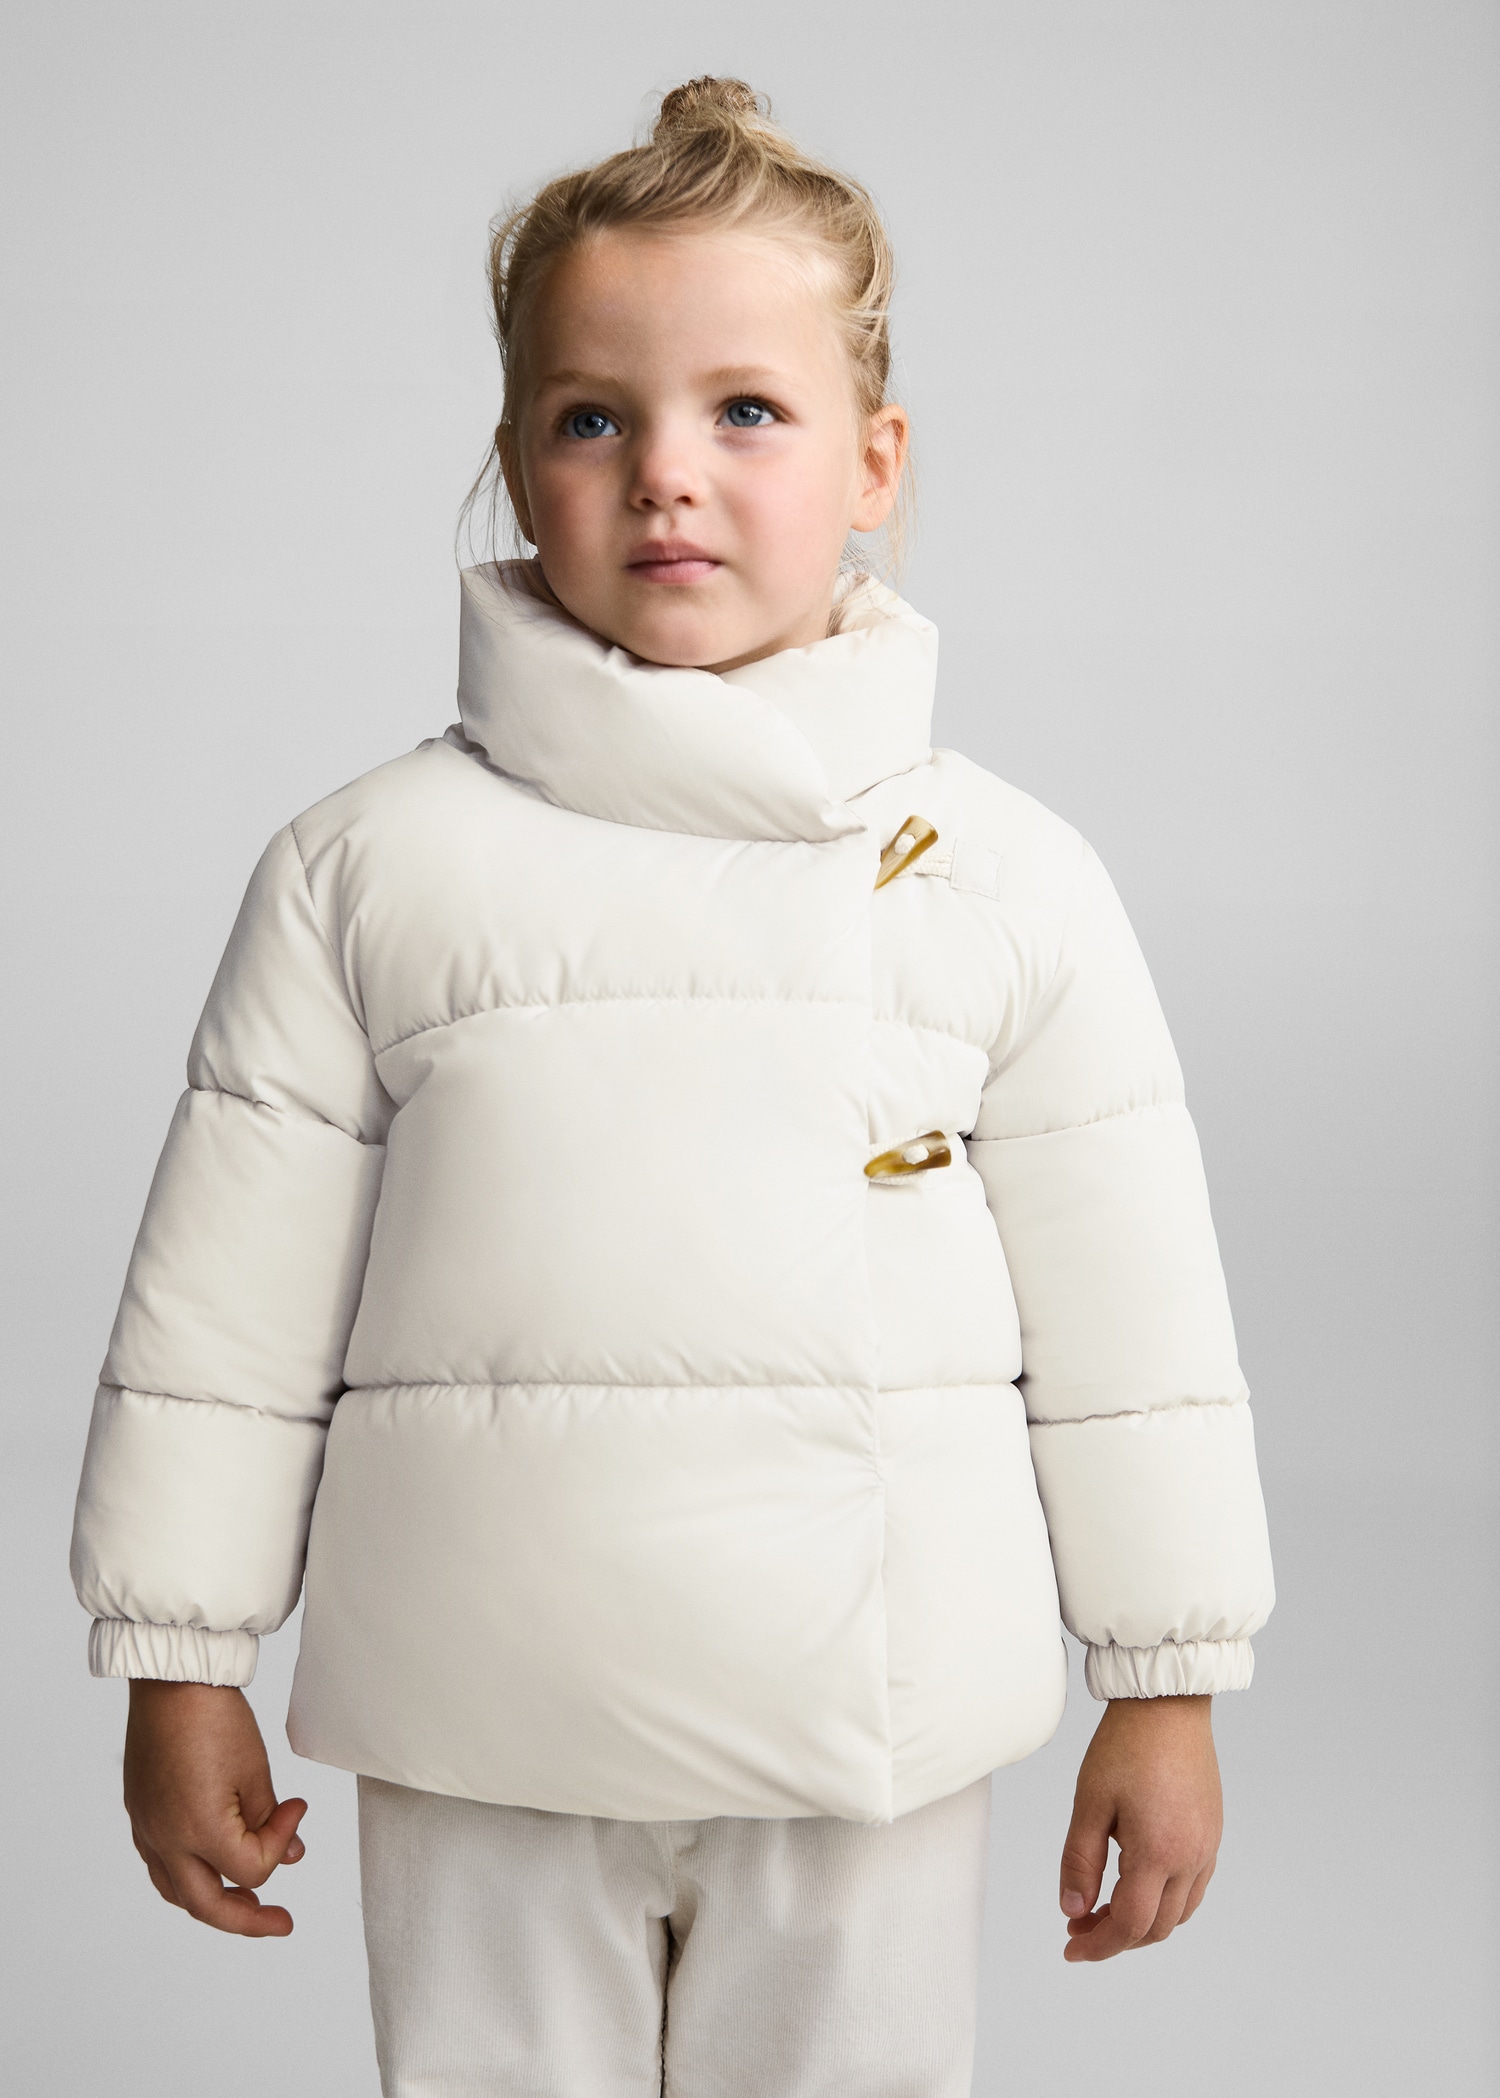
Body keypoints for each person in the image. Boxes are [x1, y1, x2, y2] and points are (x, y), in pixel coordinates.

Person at [70, 75, 1275, 2098]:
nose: (667, 478)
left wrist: (1169, 1682)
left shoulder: (1009, 877)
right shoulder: (363, 869)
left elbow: (1134, 1326)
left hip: (866, 1719)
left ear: (875, 457)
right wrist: (178, 1655)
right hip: (481, 1706)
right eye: (590, 418)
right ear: (514, 463)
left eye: (748, 410)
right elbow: (224, 1314)